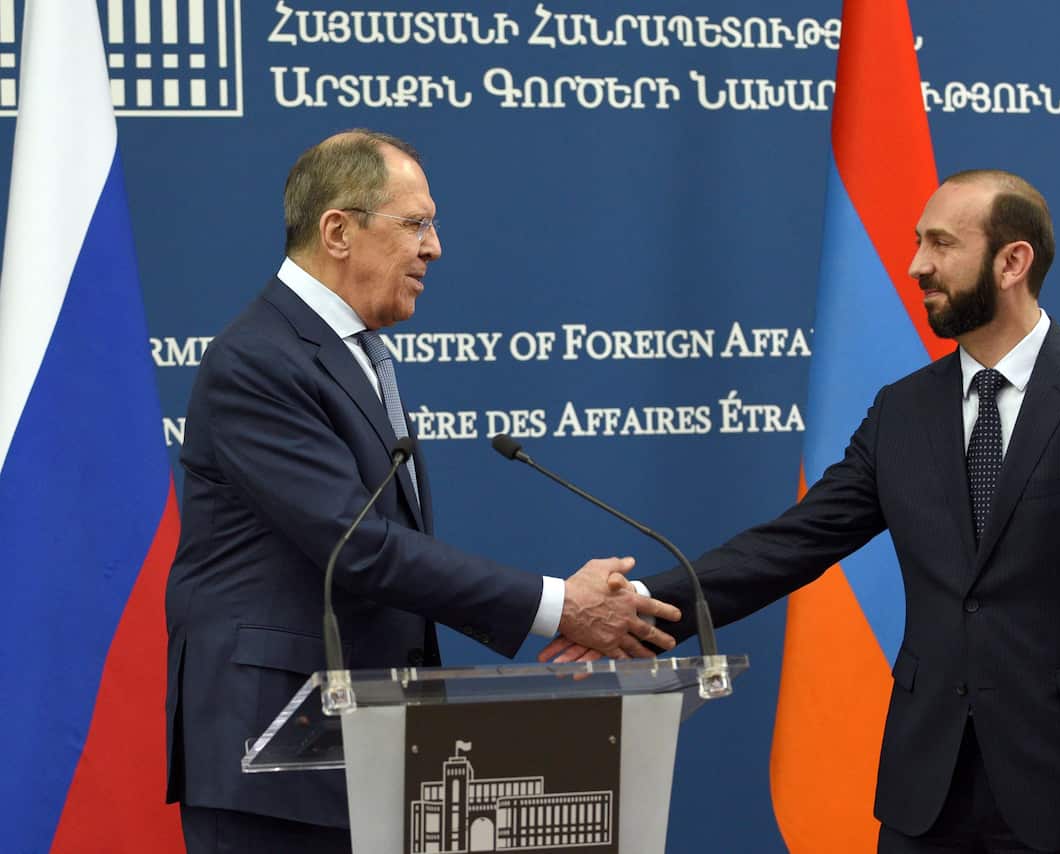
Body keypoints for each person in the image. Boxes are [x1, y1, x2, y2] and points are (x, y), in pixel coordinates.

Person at [546, 170, 1060, 854]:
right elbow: (792, 544)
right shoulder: (904, 409)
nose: (916, 264)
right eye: (917, 242)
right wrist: (642, 608)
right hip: (926, 793)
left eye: (941, 244)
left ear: (1013, 261)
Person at [164, 129, 681, 854]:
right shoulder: (259, 361)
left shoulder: (352, 354)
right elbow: (363, 548)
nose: (433, 248)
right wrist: (561, 604)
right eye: (416, 224)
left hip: (364, 751)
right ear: (338, 231)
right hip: (273, 760)